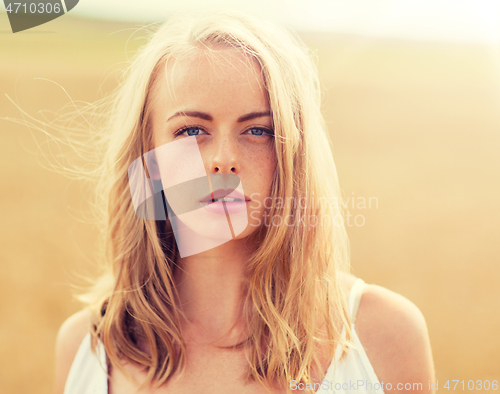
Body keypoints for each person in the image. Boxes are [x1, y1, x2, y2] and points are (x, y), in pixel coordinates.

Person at [54, 10, 435, 394]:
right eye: (191, 130)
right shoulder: (85, 350)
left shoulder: (382, 337)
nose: (223, 158)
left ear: (293, 155)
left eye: (258, 130)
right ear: (147, 158)